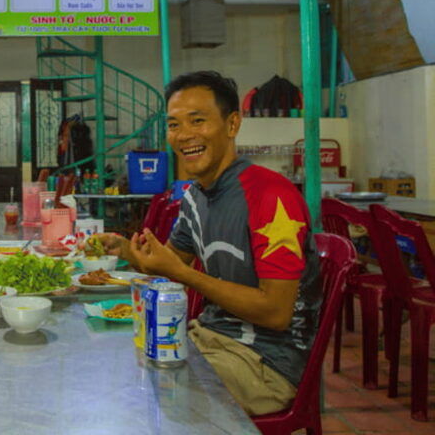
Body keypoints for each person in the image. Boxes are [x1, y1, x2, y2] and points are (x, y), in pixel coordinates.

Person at [101, 71, 321, 416]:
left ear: (232, 124)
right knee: (112, 368)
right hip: (207, 336)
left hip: (266, 363)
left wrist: (185, 276)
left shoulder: (270, 195)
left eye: (198, 121)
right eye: (174, 125)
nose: (184, 135)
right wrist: (127, 251)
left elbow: (276, 313)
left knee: (144, 400)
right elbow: (168, 264)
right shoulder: (195, 197)